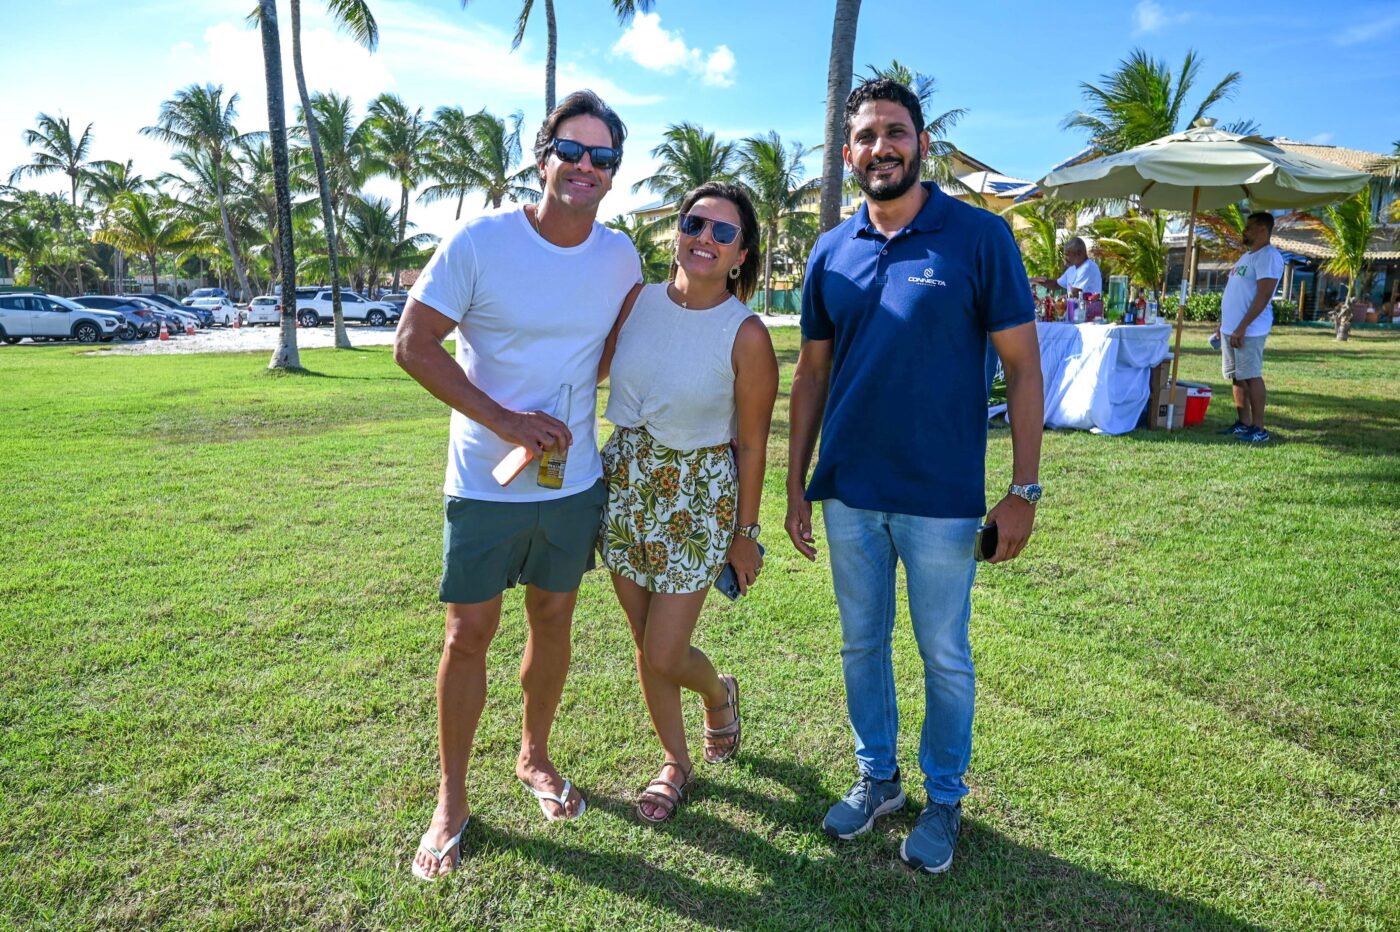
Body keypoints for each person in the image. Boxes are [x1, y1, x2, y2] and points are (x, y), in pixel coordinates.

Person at [786, 78, 1044, 874]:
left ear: (921, 143)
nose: (881, 148)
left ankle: (944, 798)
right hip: (851, 495)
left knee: (944, 653)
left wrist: (1023, 489)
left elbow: (1025, 370)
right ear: (848, 152)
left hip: (940, 501)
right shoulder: (831, 250)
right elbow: (812, 376)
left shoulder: (977, 238)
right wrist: (795, 483)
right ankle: (878, 780)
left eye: (895, 133)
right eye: (866, 137)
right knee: (862, 645)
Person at [394, 90, 641, 880]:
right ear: (543, 158)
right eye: (572, 150)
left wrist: (569, 401)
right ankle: (452, 798)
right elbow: (413, 342)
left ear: (613, 174)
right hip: (482, 483)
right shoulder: (481, 241)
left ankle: (534, 756)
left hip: (572, 486)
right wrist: (507, 420)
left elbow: (612, 349)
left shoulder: (620, 256)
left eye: (602, 158)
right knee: (469, 635)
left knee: (554, 618)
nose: (585, 167)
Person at [597, 181, 778, 823]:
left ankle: (718, 694)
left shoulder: (747, 333)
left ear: (740, 254)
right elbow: (589, 369)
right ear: (676, 232)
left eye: (722, 232)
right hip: (625, 485)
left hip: (698, 498)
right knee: (643, 640)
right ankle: (675, 761)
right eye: (695, 223)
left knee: (665, 651)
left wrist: (745, 532)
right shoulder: (636, 303)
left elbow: (753, 446)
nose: (705, 238)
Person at [1216, 211, 1283, 444]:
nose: (1244, 231)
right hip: (1231, 328)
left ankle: (1259, 428)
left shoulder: (1269, 257)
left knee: (1251, 376)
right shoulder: (1247, 257)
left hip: (1250, 330)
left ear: (1263, 230)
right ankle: (1243, 423)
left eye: (1249, 227)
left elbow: (1263, 295)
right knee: (1237, 376)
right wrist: (1224, 325)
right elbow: (1237, 293)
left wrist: (1242, 327)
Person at [1032, 236, 1103, 301]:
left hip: (1088, 313)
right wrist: (1039, 281)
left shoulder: (1088, 267)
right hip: (1074, 312)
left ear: (1079, 254)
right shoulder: (1072, 268)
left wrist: (1052, 300)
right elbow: (1056, 284)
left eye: (1068, 255)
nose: (1065, 258)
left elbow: (1075, 294)